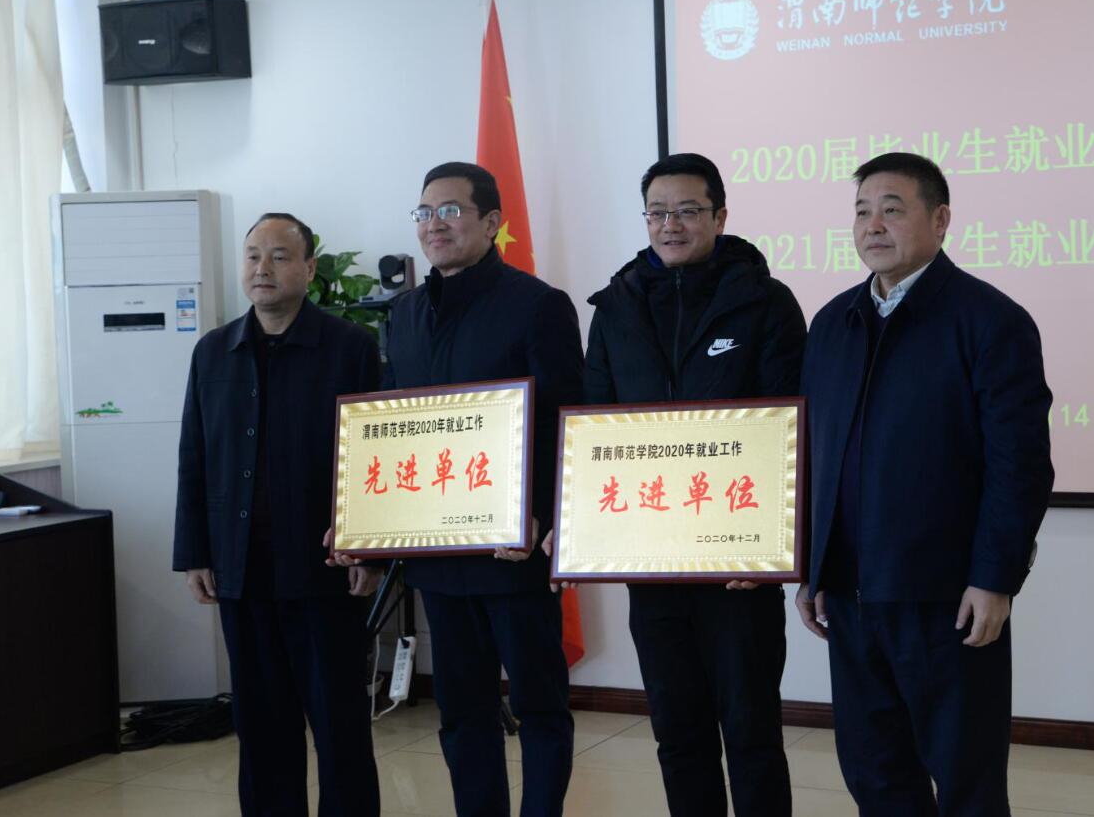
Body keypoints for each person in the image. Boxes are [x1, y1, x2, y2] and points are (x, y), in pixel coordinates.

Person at [795, 152, 1054, 817]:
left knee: (966, 779)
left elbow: (1020, 466)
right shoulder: (832, 324)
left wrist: (994, 578)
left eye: (891, 209)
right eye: (861, 211)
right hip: (851, 597)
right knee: (875, 774)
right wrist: (812, 568)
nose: (872, 225)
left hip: (946, 600)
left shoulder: (990, 321)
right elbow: (816, 457)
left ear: (940, 220)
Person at [583, 152, 806, 817]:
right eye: (657, 212)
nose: (670, 224)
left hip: (738, 565)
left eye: (687, 210)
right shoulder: (616, 307)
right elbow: (594, 427)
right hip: (651, 560)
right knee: (677, 734)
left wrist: (769, 544)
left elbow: (793, 426)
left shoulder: (765, 302)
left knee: (751, 733)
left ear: (720, 216)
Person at [373, 161, 583, 817]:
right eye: (424, 213)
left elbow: (565, 422)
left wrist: (541, 516)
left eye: (451, 211)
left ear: (492, 222)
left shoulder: (538, 305)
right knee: (463, 712)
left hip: (513, 551)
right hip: (438, 555)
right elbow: (393, 429)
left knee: (539, 705)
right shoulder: (403, 314)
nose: (434, 225)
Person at [174, 212, 382, 817]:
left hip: (323, 572)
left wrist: (369, 548)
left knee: (340, 727)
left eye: (280, 256)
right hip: (241, 571)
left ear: (310, 269)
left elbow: (373, 455)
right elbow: (194, 456)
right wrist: (195, 552)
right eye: (252, 256)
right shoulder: (213, 351)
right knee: (262, 728)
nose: (262, 268)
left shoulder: (350, 347)